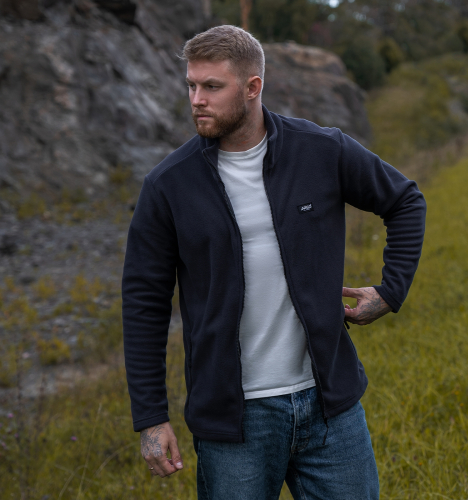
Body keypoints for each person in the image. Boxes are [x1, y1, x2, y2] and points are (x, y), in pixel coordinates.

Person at [122, 25, 426, 500]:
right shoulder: (168, 185)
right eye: (191, 85)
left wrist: (391, 291)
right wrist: (151, 416)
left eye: (212, 86)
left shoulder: (321, 150)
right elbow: (144, 303)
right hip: (234, 423)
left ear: (252, 87)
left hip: (330, 408)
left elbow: (405, 200)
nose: (197, 99)